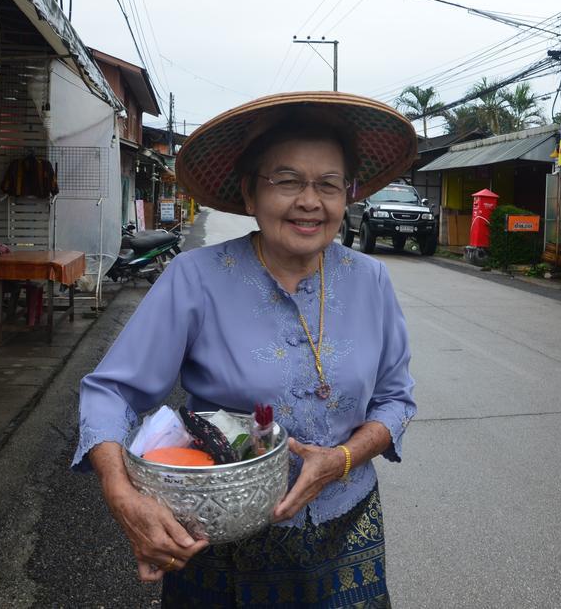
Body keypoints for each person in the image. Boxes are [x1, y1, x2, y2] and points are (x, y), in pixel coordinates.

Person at [74, 91, 419, 607]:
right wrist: (122, 496)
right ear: (249, 192)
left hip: (346, 526)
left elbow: (396, 399)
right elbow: (111, 391)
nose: (310, 201)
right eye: (287, 180)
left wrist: (343, 457)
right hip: (220, 539)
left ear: (346, 197)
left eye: (328, 184)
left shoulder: (371, 280)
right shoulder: (196, 278)